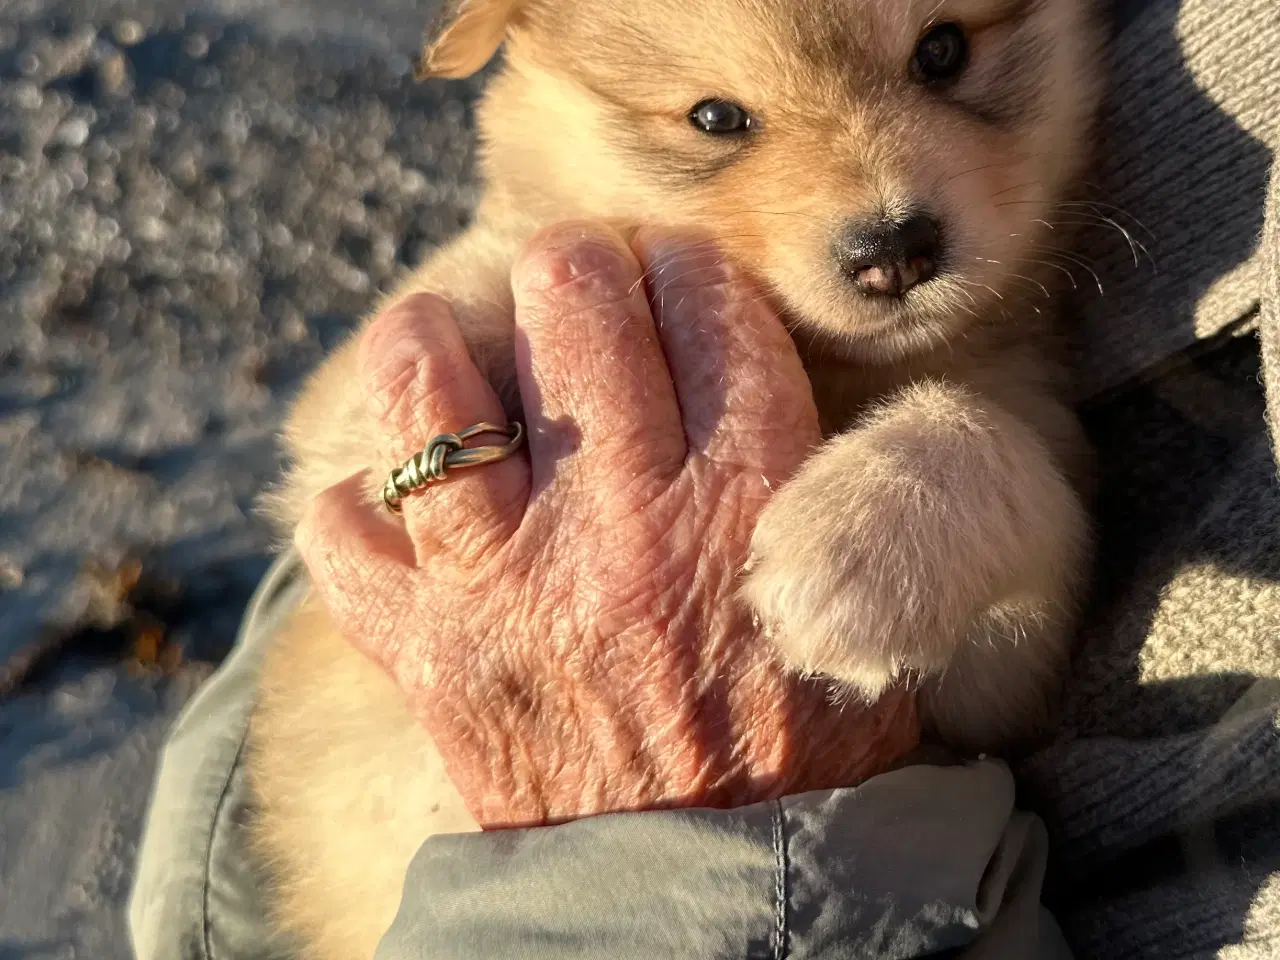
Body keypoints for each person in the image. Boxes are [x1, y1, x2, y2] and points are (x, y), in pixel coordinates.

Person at [131, 0, 1280, 956]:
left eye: (940, 54)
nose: (881, 206)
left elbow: (985, 678)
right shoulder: (535, 263)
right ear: (526, 61)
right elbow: (338, 483)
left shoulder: (1001, 370)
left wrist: (959, 473)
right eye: (720, 121)